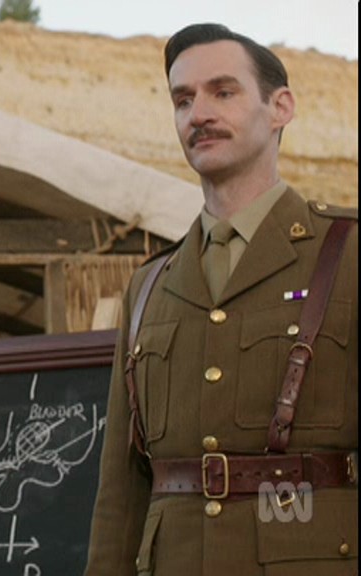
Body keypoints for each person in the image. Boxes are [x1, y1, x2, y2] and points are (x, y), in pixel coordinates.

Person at [86, 23, 357, 575]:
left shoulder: (347, 254)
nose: (199, 114)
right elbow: (122, 489)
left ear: (280, 107)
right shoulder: (150, 286)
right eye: (183, 100)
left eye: (223, 92)